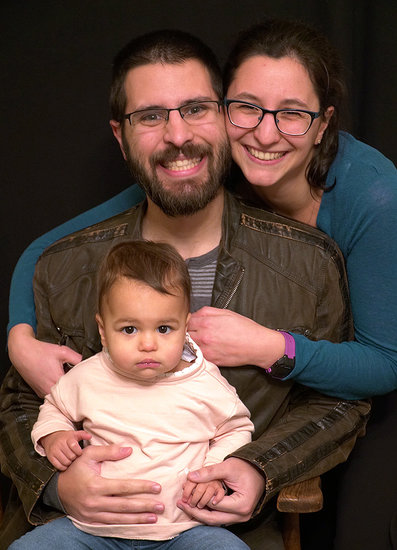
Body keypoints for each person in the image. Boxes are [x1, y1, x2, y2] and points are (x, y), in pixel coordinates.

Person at [0, 28, 369, 550]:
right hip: (80, 532)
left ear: (225, 118)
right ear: (119, 135)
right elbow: (18, 403)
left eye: (196, 108)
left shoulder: (308, 262)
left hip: (216, 530)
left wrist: (258, 468)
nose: (177, 135)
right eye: (150, 116)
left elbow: (338, 402)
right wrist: (59, 486)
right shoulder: (66, 265)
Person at [218, 17, 397, 550]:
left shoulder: (374, 198)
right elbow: (65, 243)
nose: (265, 133)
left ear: (324, 125)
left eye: (293, 114)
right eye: (246, 106)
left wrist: (267, 347)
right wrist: (21, 334)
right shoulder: (214, 160)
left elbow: (386, 361)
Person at [10, 240, 253, 549]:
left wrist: (214, 472)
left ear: (185, 327)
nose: (148, 344)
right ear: (102, 330)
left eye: (164, 329)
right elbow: (55, 406)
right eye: (129, 330)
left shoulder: (204, 383)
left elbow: (237, 429)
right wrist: (54, 435)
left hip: (183, 529)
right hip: (92, 530)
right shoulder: (87, 376)